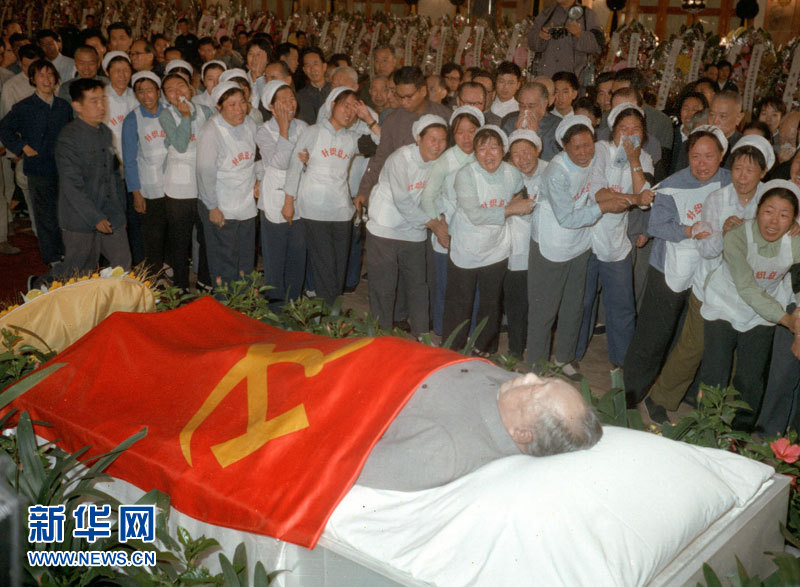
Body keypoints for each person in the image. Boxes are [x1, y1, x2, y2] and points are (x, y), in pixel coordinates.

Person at [647, 136, 775, 419]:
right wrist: (726, 234)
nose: (742, 177)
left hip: (750, 293)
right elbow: (706, 249)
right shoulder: (718, 198)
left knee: (736, 359)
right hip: (711, 286)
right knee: (693, 346)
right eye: (738, 168)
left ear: (764, 172)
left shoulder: (771, 201)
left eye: (750, 170)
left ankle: (722, 415)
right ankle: (660, 398)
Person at [623, 126, 731, 410]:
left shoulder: (730, 182)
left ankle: (681, 393)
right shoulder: (673, 184)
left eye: (709, 156)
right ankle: (629, 394)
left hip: (709, 270)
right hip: (669, 269)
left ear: (722, 155)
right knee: (654, 334)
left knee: (690, 337)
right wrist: (689, 229)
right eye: (696, 156)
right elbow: (657, 225)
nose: (702, 163)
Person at [357, 368, 603, 492]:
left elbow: (347, 463)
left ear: (522, 433)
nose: (528, 375)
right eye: (545, 379)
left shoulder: (446, 451)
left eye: (534, 390)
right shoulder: (509, 390)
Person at [526, 115, 628, 377]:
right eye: (577, 147)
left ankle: (564, 358)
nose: (584, 152)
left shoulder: (596, 160)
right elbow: (567, 217)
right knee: (544, 309)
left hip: (579, 242)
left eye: (588, 145)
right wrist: (603, 206)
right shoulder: (556, 172)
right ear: (564, 147)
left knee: (575, 304)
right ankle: (536, 368)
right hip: (553, 241)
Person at [697, 182, 800, 431]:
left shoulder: (795, 242)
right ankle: (706, 433)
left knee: (751, 380)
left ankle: (738, 436)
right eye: (769, 211)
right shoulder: (737, 236)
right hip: (725, 303)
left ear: (793, 221)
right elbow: (747, 287)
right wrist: (788, 321)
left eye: (784, 214)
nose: (774, 221)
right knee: (715, 374)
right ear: (757, 210)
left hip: (762, 313)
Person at [576, 103, 655, 370]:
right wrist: (633, 197)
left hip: (616, 240)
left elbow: (646, 203)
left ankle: (622, 362)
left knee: (622, 304)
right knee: (583, 300)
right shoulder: (600, 149)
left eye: (636, 129)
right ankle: (573, 355)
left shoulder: (644, 158)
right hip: (587, 236)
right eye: (624, 128)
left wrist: (633, 161)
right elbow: (597, 192)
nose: (630, 134)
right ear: (613, 130)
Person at [443, 125, 535, 355]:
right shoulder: (465, 175)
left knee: (491, 302)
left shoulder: (511, 173)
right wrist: (510, 210)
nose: (488, 153)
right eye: (482, 148)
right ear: (474, 153)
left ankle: (485, 347)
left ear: (503, 150)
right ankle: (452, 348)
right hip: (467, 244)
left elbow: (520, 195)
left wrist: (518, 202)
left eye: (494, 147)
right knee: (460, 302)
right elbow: (475, 214)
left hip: (496, 247)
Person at [284, 87, 377, 305]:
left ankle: (330, 312)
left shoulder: (351, 139)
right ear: (332, 105)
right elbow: (294, 166)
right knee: (324, 265)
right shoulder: (313, 132)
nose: (349, 113)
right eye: (346, 106)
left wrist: (369, 118)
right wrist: (289, 202)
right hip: (314, 209)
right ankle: (329, 316)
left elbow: (379, 143)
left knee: (338, 266)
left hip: (341, 210)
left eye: (354, 109)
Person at [366, 115, 448, 336]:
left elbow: (437, 195)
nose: (437, 145)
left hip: (414, 229)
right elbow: (402, 200)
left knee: (418, 286)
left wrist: (441, 221)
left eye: (442, 140)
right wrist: (433, 224)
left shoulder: (440, 163)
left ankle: (422, 335)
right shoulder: (400, 159)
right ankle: (381, 336)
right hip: (386, 227)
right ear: (418, 138)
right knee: (384, 286)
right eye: (432, 139)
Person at [54, 78, 131, 276]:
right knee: (78, 271)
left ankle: (118, 306)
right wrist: (95, 217)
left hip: (111, 212)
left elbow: (114, 175)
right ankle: (41, 285)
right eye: (94, 101)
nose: (101, 106)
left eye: (102, 100)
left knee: (122, 265)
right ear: (77, 106)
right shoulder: (68, 138)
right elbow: (72, 186)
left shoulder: (105, 132)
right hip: (79, 217)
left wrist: (120, 214)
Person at [0, 59, 72, 265]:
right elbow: (4, 129)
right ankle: (53, 258)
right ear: (33, 79)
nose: (46, 79)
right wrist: (22, 146)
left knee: (64, 213)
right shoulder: (24, 106)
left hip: (63, 168)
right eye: (41, 75)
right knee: (45, 216)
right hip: (39, 169)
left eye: (50, 75)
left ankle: (68, 252)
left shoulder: (63, 106)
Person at [420, 106, 484, 336]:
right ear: (452, 135)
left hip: (477, 233)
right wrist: (439, 225)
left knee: (473, 288)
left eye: (472, 130)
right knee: (446, 288)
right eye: (460, 132)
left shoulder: (485, 156)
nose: (467, 138)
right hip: (448, 233)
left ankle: (471, 335)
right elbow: (427, 197)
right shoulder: (446, 160)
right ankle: (442, 333)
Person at [355, 66, 452, 215]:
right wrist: (364, 191)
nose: (404, 102)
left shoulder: (446, 116)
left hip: (437, 196)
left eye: (409, 96)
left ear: (423, 90)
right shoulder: (392, 120)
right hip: (403, 197)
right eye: (400, 96)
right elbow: (381, 158)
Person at [196, 81, 258, 285]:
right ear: (219, 106)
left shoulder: (249, 124)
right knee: (225, 262)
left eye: (242, 102)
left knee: (246, 261)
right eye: (232, 104)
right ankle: (226, 308)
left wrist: (259, 179)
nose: (239, 109)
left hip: (247, 203)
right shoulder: (211, 131)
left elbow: (257, 158)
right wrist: (212, 207)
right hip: (221, 205)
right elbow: (205, 172)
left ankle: (244, 309)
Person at [256, 80, 309, 308]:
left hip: (301, 199)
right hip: (275, 200)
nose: (290, 104)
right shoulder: (263, 131)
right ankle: (275, 310)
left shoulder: (304, 127)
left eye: (292, 99)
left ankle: (294, 307)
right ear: (271, 106)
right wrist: (284, 128)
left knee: (297, 257)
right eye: (283, 100)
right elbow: (279, 162)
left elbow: (310, 161)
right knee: (275, 258)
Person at [158, 72, 212, 290]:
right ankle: (180, 285)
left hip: (203, 184)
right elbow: (180, 145)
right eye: (170, 90)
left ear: (191, 88)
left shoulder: (206, 112)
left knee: (207, 237)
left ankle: (204, 281)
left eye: (181, 86)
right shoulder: (167, 115)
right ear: (166, 96)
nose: (177, 92)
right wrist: (186, 118)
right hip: (178, 188)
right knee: (180, 240)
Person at [505, 129, 549, 360]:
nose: (522, 159)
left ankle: (537, 349)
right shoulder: (505, 174)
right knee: (517, 303)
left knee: (540, 303)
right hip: (517, 249)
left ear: (537, 149)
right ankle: (514, 348)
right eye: (515, 154)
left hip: (546, 247)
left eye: (526, 151)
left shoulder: (551, 170)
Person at [122, 71, 168, 276]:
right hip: (149, 187)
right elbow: (129, 160)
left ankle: (170, 270)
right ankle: (154, 275)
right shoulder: (133, 119)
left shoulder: (171, 112)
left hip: (175, 185)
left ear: (158, 92)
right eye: (140, 92)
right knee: (153, 236)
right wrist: (136, 193)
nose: (146, 96)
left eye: (150, 90)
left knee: (172, 233)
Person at [527, 0, 604, 80]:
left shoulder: (587, 14)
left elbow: (598, 46)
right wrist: (540, 36)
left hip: (574, 80)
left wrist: (579, 34)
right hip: (547, 78)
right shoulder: (546, 13)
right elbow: (531, 44)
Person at [102, 51, 137, 161]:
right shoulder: (101, 97)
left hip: (135, 158)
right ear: (107, 72)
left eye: (126, 70)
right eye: (117, 71)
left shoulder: (137, 97)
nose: (122, 75)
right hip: (108, 159)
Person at [670, 91, 708, 174]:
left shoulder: (707, 139)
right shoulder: (670, 134)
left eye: (695, 109)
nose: (690, 114)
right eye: (686, 108)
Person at [708, 90, 744, 168]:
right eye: (712, 114)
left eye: (722, 116)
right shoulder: (697, 142)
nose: (715, 121)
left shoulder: (744, 147)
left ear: (738, 118)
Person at [296, 47, 330, 125]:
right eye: (308, 65)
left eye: (315, 64)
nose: (312, 69)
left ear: (324, 66)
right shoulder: (300, 97)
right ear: (304, 70)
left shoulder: (335, 92)